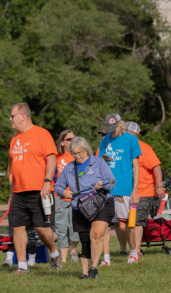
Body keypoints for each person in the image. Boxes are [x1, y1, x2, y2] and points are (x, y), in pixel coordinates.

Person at [8, 103, 61, 274]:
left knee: (41, 228)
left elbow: (52, 160)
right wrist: (11, 193)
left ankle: (54, 252)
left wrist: (47, 181)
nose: (10, 119)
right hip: (18, 192)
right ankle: (22, 266)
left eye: (12, 115)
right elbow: (13, 169)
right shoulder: (14, 139)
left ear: (22, 115)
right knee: (17, 227)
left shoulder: (42, 134)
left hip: (40, 190)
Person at [55, 137, 116, 279]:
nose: (78, 156)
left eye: (80, 152)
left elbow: (112, 182)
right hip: (80, 207)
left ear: (87, 150)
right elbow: (58, 186)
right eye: (74, 153)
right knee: (85, 240)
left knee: (97, 234)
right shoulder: (69, 168)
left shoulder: (99, 163)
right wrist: (64, 192)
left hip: (101, 204)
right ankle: (84, 272)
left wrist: (103, 184)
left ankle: (94, 268)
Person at [98, 113, 142, 265]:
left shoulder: (131, 140)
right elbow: (99, 163)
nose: (111, 131)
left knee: (124, 225)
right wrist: (102, 160)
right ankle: (106, 259)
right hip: (107, 189)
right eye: (108, 129)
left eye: (113, 128)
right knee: (106, 225)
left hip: (124, 188)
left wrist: (135, 190)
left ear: (120, 125)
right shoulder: (105, 140)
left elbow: (136, 167)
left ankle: (134, 251)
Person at [125, 122, 165, 257]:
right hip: (127, 191)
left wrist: (159, 186)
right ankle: (131, 249)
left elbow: (156, 167)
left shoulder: (144, 148)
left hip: (144, 191)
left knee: (137, 221)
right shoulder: (123, 148)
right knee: (126, 222)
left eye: (127, 133)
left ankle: (136, 251)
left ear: (134, 134)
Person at [54, 129, 80, 263]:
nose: (72, 141)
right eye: (69, 139)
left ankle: (73, 251)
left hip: (76, 197)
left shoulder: (78, 156)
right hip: (60, 198)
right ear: (62, 142)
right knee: (61, 227)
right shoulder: (56, 157)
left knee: (74, 226)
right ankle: (63, 257)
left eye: (73, 138)